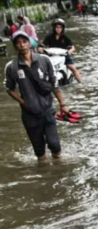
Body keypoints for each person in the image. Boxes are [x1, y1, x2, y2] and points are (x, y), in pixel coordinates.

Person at [5, 31, 69, 162]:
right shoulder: (11, 67)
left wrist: (62, 104)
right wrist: (23, 102)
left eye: (24, 41)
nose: (21, 45)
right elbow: (9, 89)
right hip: (30, 114)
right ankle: (44, 175)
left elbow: (54, 83)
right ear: (15, 46)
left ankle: (58, 171)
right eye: (18, 43)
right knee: (39, 151)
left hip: (47, 110)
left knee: (54, 145)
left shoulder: (44, 60)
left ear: (29, 43)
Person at [41, 19, 84, 84]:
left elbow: (72, 47)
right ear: (54, 28)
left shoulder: (65, 37)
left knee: (73, 68)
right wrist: (41, 49)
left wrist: (70, 51)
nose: (58, 29)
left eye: (60, 27)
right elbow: (42, 46)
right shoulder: (48, 37)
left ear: (62, 28)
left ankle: (81, 82)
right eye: (57, 27)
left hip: (64, 56)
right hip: (51, 57)